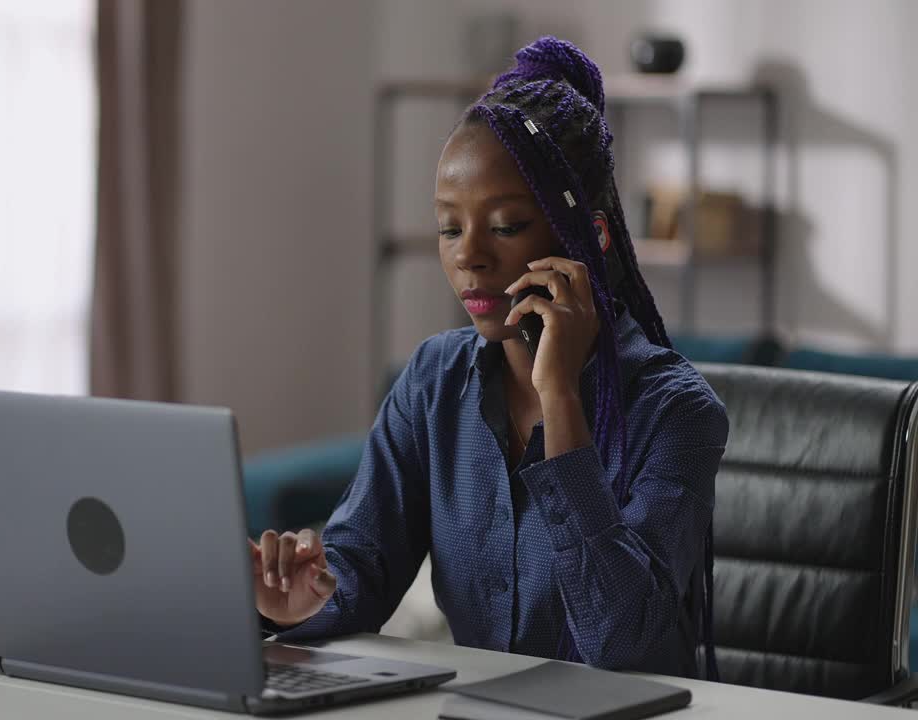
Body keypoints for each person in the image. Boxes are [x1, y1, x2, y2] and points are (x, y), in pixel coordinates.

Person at [249, 36, 728, 680]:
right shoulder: (432, 382)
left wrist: (559, 400)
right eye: (450, 227)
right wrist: (302, 603)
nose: (468, 256)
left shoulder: (676, 411)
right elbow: (364, 561)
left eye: (504, 226)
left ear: (592, 236)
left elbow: (624, 647)